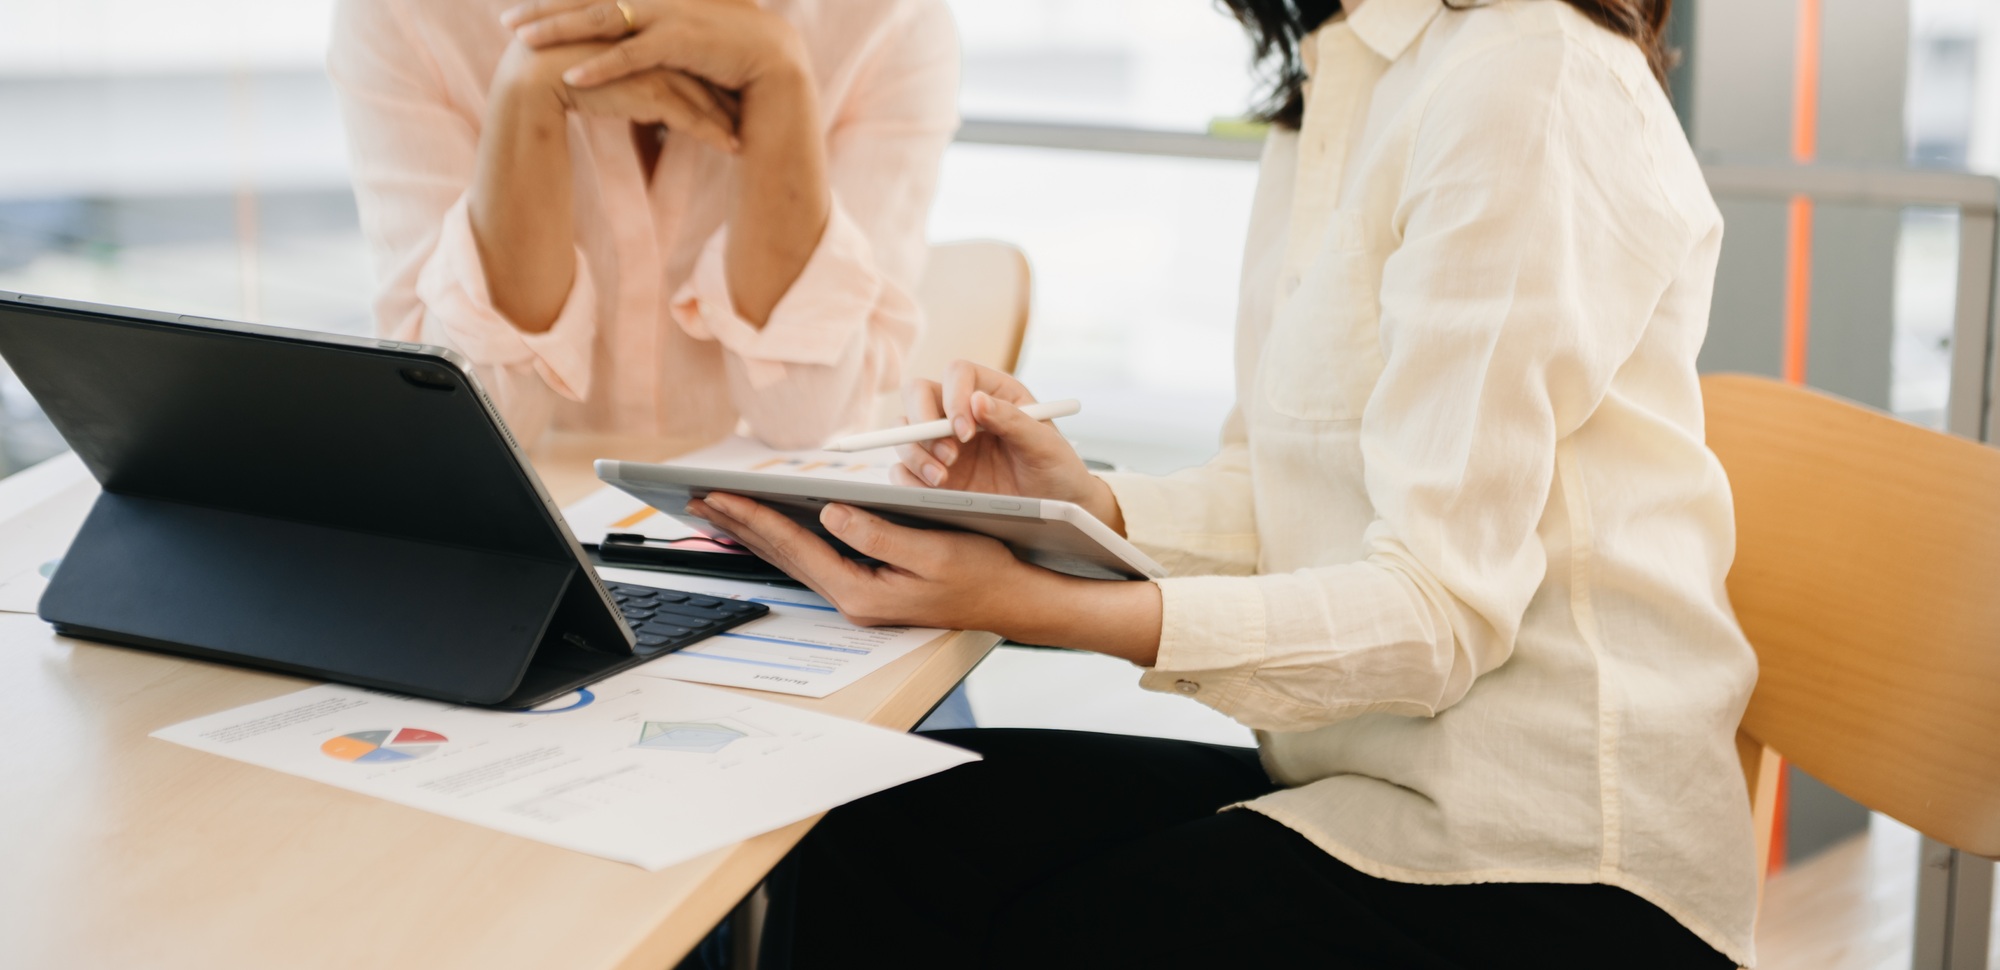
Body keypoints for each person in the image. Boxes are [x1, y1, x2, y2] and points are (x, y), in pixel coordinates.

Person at [686, 0, 1759, 966]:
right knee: (872, 830)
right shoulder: (1334, 79)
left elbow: (1436, 612)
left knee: (1054, 936)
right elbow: (1279, 488)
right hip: (1350, 794)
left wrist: (1040, 604)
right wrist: (1075, 504)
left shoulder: (1529, 81)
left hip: (1550, 864)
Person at [327, 0, 958, 448]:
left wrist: (781, 75)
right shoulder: (405, 15)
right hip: (525, 551)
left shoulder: (889, 21)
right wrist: (525, 99)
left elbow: (806, 417)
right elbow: (457, 426)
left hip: (771, 557)